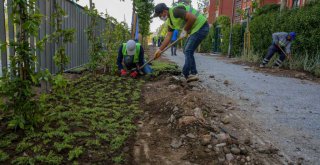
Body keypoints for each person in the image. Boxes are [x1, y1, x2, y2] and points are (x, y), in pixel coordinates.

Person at [153, 3, 209, 82]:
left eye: (160, 15)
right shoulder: (170, 22)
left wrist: (185, 30)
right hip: (195, 29)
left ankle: (187, 74)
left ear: (164, 11)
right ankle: (192, 73)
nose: (160, 17)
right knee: (186, 50)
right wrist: (159, 50)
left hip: (202, 26)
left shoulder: (175, 11)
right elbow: (168, 37)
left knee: (188, 50)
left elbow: (192, 18)